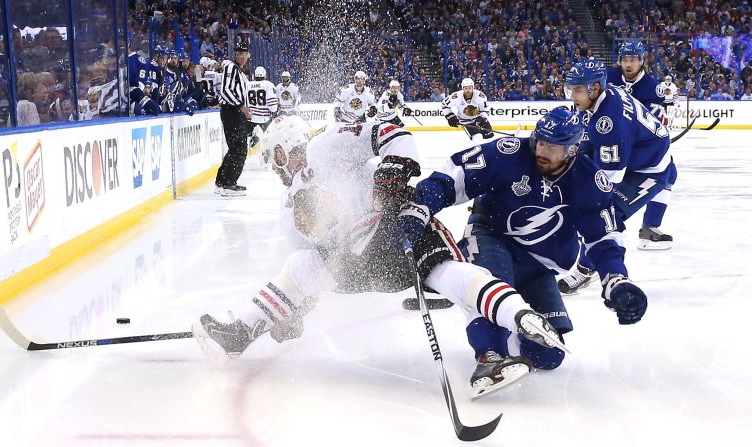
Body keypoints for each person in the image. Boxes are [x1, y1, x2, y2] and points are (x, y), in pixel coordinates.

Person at [192, 115, 566, 398]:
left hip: (394, 230)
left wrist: (394, 168)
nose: (275, 169)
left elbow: (393, 132)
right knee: (302, 265)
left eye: (274, 158)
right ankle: (241, 331)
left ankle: (509, 325)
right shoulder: (288, 205)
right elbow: (310, 265)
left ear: (283, 146)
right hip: (357, 266)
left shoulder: (325, 146)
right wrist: (292, 310)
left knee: (448, 273)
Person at [399, 107, 648, 395]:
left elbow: (603, 239)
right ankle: (488, 356)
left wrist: (617, 281)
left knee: (548, 355)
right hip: (492, 236)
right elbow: (456, 175)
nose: (542, 150)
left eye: (553, 147)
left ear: (573, 149)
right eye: (540, 141)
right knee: (492, 285)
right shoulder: (509, 153)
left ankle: (510, 339)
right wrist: (422, 206)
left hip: (540, 264)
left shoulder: (589, 182)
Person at [558, 59, 676, 295]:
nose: (573, 95)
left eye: (578, 89)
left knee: (607, 214)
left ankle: (585, 269)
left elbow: (608, 180)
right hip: (642, 153)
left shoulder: (610, 123)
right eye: (572, 88)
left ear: (595, 88)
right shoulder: (605, 94)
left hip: (646, 171)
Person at [214, 42, 251, 197]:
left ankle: (223, 181)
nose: (243, 56)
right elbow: (225, 90)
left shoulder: (240, 72)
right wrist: (241, 105)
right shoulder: (231, 67)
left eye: (245, 53)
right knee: (239, 147)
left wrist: (244, 109)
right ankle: (228, 183)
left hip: (235, 112)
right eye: (240, 53)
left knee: (237, 147)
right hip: (231, 111)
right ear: (235, 54)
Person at [607, 41, 666, 120]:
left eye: (632, 60)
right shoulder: (608, 77)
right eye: (624, 60)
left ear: (641, 61)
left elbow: (651, 126)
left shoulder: (653, 89)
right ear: (620, 61)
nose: (628, 65)